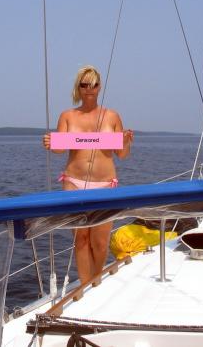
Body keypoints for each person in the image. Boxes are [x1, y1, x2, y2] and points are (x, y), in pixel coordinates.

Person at [43, 65, 133, 284]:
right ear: (79, 87)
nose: (89, 89)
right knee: (81, 240)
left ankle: (96, 282)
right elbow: (59, 149)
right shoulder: (67, 115)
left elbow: (121, 154)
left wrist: (126, 141)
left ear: (99, 87)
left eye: (93, 84)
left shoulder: (112, 116)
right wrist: (50, 142)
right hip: (73, 182)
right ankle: (85, 285)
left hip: (105, 184)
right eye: (85, 84)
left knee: (100, 242)